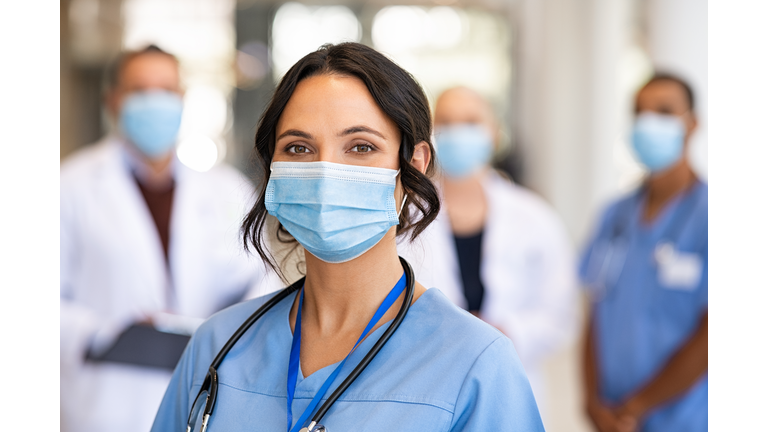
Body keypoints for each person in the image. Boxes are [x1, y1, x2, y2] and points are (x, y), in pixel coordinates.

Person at [151, 42, 544, 432]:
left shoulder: (477, 363)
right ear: (274, 169)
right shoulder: (218, 346)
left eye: (361, 146)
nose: (326, 173)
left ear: (414, 166)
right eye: (299, 147)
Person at [60, 45, 279, 432]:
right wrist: (105, 334)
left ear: (181, 99)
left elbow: (261, 276)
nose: (154, 102)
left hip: (206, 395)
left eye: (165, 90)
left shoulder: (225, 189)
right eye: (139, 90)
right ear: (112, 101)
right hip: (109, 405)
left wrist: (228, 327)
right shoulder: (68, 188)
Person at [398, 86, 579, 412]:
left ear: (493, 133)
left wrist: (506, 331)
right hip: (427, 386)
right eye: (447, 123)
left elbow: (559, 316)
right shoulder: (406, 217)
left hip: (510, 386)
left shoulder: (535, 218)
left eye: (470, 122)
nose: (458, 133)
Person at [579, 73, 708, 432]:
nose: (649, 123)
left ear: (692, 124)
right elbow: (595, 311)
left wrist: (636, 407)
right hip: (613, 417)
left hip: (685, 419)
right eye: (641, 112)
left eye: (664, 112)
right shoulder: (614, 216)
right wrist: (592, 401)